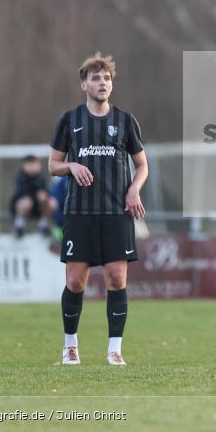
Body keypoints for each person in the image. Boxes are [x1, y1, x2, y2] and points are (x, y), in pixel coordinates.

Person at [49, 53, 148, 366]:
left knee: (116, 279)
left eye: (106, 78)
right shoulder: (69, 120)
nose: (102, 83)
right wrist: (71, 166)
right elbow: (52, 165)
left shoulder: (125, 121)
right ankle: (70, 346)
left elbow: (142, 165)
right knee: (75, 282)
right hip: (79, 212)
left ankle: (114, 349)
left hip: (116, 213)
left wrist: (134, 189)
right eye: (96, 78)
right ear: (84, 85)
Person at [10, 155, 57, 238]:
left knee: (53, 203)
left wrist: (44, 196)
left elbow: (47, 192)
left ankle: (43, 225)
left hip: (38, 208)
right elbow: (22, 193)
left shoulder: (42, 176)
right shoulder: (21, 177)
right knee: (26, 202)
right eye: (31, 165)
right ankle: (19, 225)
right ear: (24, 165)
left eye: (35, 164)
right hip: (23, 207)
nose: (33, 167)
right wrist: (36, 195)